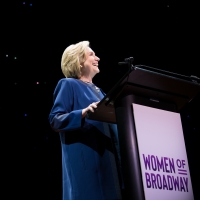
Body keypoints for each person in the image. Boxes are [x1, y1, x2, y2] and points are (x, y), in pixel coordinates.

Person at [48, 41, 122, 200]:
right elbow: (55, 119)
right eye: (91, 54)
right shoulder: (68, 84)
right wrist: (82, 113)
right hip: (86, 164)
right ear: (79, 62)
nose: (98, 58)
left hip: (110, 166)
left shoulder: (101, 92)